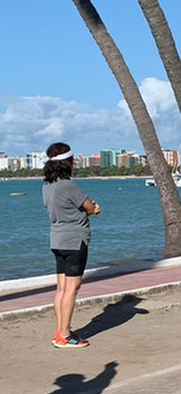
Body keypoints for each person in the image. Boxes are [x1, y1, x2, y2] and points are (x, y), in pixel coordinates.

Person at [42, 142, 101, 348]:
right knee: (72, 289)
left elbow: (63, 210)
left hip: (57, 239)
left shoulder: (47, 186)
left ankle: (60, 331)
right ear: (68, 162)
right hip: (75, 240)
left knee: (61, 288)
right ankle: (66, 336)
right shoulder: (69, 185)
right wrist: (93, 209)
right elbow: (89, 207)